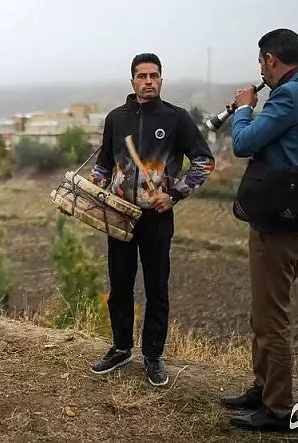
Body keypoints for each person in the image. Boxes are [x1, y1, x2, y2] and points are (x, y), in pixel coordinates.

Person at [222, 29, 298, 432]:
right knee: (264, 313)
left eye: (260, 62)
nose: (259, 70)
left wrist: (246, 108)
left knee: (272, 319)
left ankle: (279, 409)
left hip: (279, 224)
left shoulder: (286, 96)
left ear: (269, 59)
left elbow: (243, 143)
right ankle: (262, 387)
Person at [88, 53, 215, 386]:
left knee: (157, 289)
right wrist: (95, 181)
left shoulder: (177, 119)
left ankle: (153, 356)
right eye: (141, 76)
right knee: (120, 286)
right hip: (119, 215)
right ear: (132, 81)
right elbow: (103, 163)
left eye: (154, 76)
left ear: (161, 80)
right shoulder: (116, 119)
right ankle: (120, 348)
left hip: (157, 219)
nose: (148, 81)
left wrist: (174, 194)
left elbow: (204, 161)